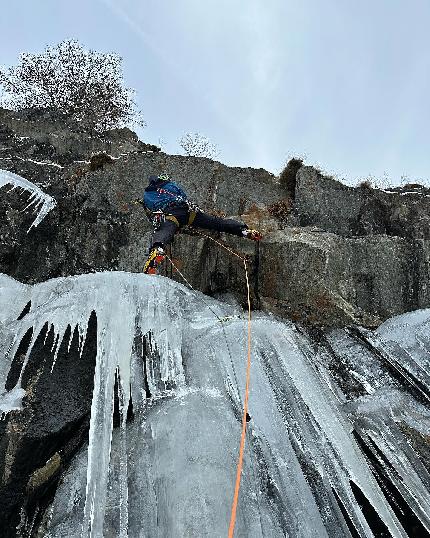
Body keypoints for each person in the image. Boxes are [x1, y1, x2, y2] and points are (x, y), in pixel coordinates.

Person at [139, 174, 262, 274]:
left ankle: (158, 248)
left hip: (171, 214)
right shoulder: (171, 185)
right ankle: (243, 231)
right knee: (216, 222)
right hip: (189, 212)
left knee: (165, 229)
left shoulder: (147, 194)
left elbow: (152, 208)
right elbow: (182, 195)